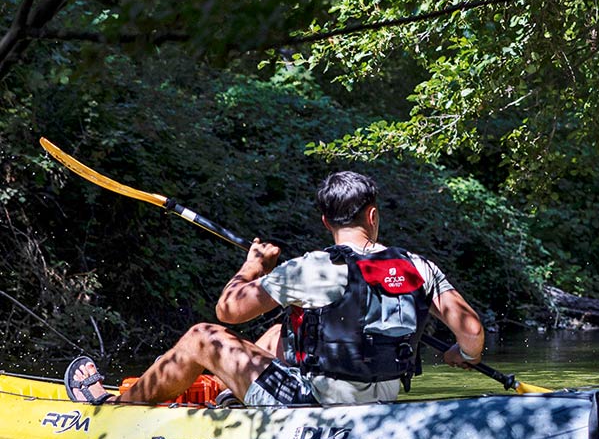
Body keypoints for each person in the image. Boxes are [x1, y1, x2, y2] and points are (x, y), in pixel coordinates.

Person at [63, 171, 488, 406]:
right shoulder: (417, 266)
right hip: (381, 397)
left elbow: (228, 310)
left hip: (311, 405)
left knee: (201, 337)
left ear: (326, 221)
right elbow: (472, 332)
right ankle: (225, 393)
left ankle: (117, 407)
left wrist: (253, 267)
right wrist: (463, 355)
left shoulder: (312, 268)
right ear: (373, 216)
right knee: (279, 334)